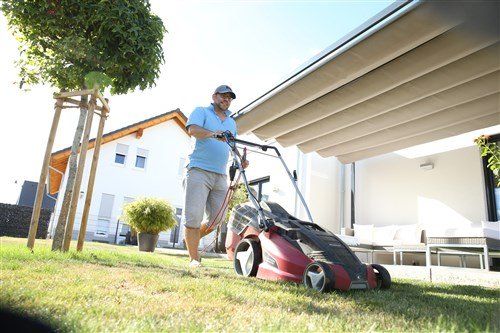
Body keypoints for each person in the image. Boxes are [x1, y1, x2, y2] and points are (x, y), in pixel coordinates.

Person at [183, 85, 248, 268]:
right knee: (193, 217)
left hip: (220, 174)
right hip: (198, 170)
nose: (226, 100)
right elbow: (193, 130)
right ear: (214, 96)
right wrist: (213, 134)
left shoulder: (231, 122)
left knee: (217, 219)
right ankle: (194, 259)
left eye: (229, 98)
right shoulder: (201, 111)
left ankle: (190, 238)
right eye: (223, 96)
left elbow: (232, 144)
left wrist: (240, 159)